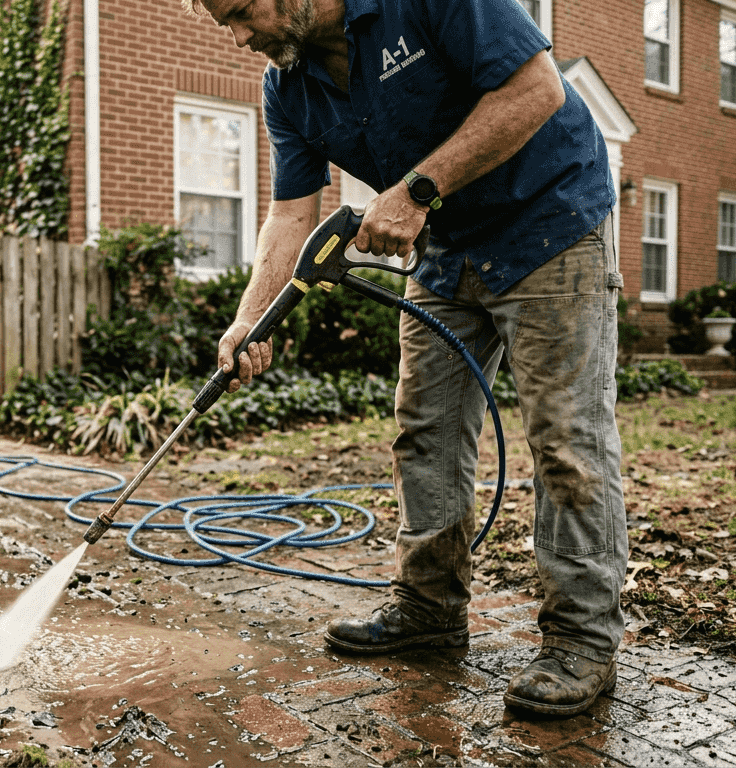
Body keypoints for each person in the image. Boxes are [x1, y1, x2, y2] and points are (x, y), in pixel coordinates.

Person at [184, 0, 628, 718]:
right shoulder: (286, 85)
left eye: (241, 10)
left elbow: (537, 89)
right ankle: (430, 609)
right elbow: (293, 212)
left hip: (550, 223)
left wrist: (418, 190)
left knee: (565, 441)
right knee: (425, 430)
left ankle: (581, 641)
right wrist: (251, 318)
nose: (239, 37)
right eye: (221, 25)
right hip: (445, 251)